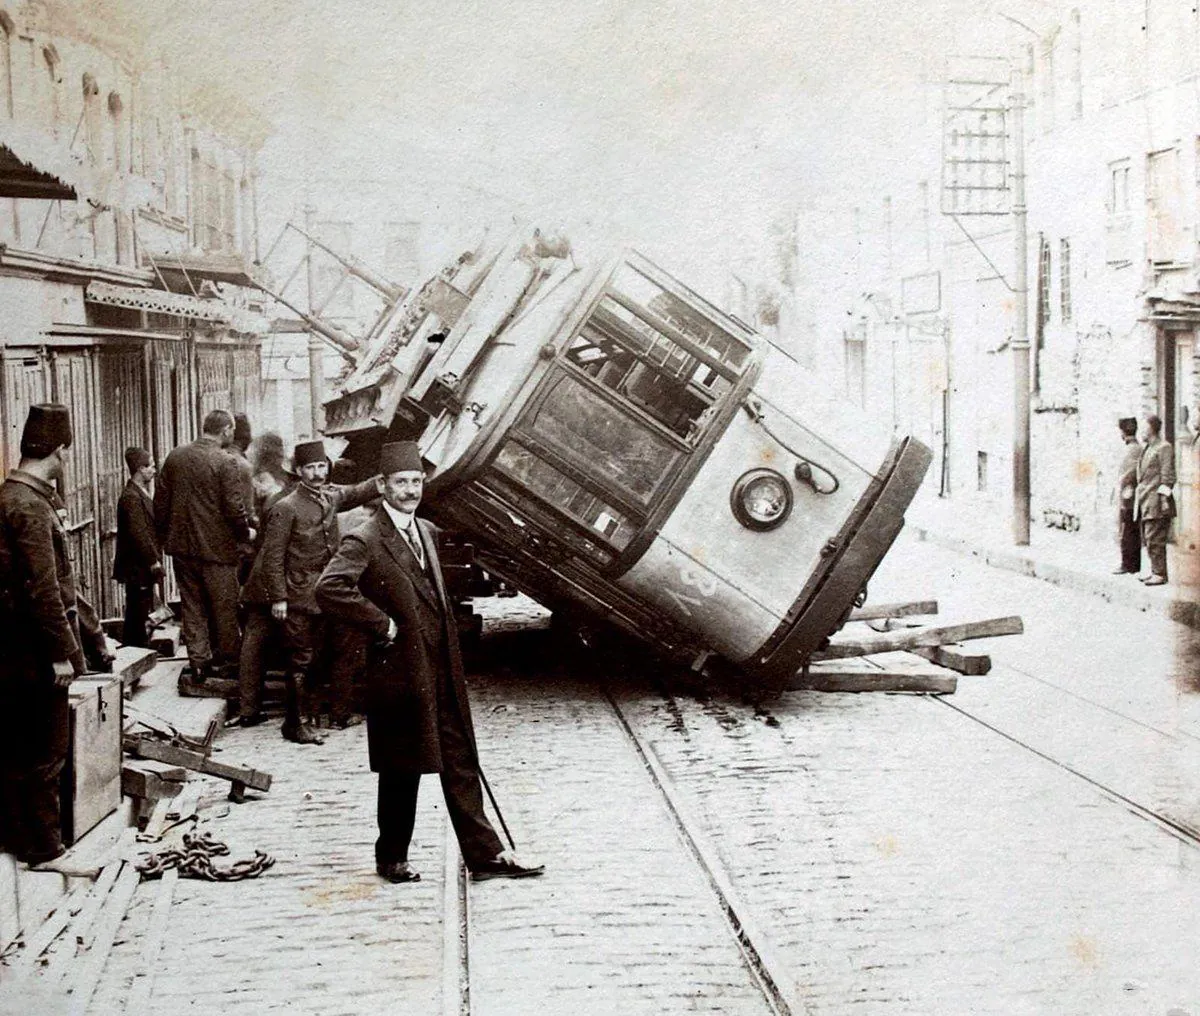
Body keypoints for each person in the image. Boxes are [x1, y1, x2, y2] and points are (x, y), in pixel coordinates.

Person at [315, 441, 543, 883]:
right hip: (398, 672)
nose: (410, 491)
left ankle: (485, 856)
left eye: (416, 482)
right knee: (402, 766)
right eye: (401, 483)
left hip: (440, 669)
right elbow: (330, 589)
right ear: (382, 486)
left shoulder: (427, 532)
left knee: (459, 759)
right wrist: (381, 625)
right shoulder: (364, 537)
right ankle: (392, 857)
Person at [0, 404, 113, 865]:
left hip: (10, 648)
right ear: (59, 452)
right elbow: (45, 590)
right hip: (33, 650)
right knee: (47, 751)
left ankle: (17, 838)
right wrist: (64, 653)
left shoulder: (8, 497)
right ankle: (47, 845)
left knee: (13, 746)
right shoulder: (31, 506)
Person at [236, 439, 379, 742]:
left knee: (317, 655)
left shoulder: (326, 496)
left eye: (321, 467)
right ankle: (296, 723)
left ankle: (312, 714)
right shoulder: (285, 507)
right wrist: (278, 598)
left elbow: (352, 493)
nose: (317, 473)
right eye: (311, 468)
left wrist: (382, 480)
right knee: (299, 658)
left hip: (321, 593)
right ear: (298, 471)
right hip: (296, 593)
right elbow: (273, 556)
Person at [155, 409, 254, 681]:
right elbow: (235, 510)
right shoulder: (226, 461)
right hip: (218, 552)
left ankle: (198, 663)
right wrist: (246, 535)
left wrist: (166, 538)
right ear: (226, 431)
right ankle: (229, 664)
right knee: (225, 608)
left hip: (182, 549)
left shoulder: (176, 456)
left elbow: (160, 504)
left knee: (192, 606)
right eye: (232, 431)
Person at [113, 447, 163, 647]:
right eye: (150, 466)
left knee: (139, 608)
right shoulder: (131, 497)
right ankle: (137, 648)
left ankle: (137, 648)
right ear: (140, 469)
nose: (154, 470)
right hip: (138, 566)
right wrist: (153, 560)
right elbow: (139, 532)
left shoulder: (137, 493)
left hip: (140, 565)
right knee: (138, 611)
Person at [1135, 413, 1176, 586]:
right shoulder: (1147, 448)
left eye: (1144, 427)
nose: (1141, 432)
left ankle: (1160, 573)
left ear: (1152, 428)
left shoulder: (1164, 447)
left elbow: (1168, 477)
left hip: (1157, 501)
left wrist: (1163, 500)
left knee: (1155, 538)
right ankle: (1154, 570)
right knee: (1149, 538)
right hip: (1145, 500)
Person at [1113, 417, 1141, 576]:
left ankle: (1128, 563)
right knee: (1131, 529)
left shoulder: (1131, 449)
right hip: (1130, 494)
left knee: (1127, 530)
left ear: (1123, 432)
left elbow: (1128, 474)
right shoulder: (1136, 448)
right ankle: (1132, 564)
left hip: (1128, 496)